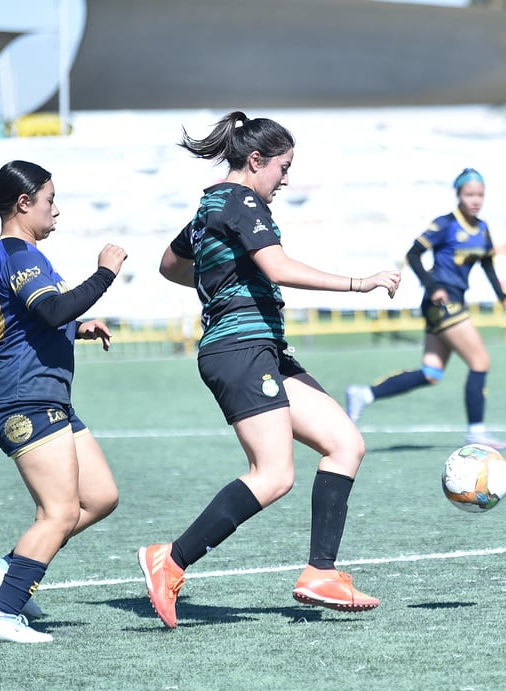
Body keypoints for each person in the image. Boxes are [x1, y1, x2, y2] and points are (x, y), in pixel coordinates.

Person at [138, 111, 402, 629]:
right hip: (239, 349)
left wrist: (220, 274)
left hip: (263, 348)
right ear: (255, 161)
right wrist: (360, 283)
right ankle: (169, 560)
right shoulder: (240, 201)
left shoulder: (210, 205)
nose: (286, 178)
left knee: (345, 443)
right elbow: (278, 267)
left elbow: (170, 266)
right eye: (283, 167)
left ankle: (320, 574)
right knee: (274, 474)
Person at [0, 160, 128, 643]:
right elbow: (54, 306)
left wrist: (77, 329)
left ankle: (11, 567)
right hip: (23, 399)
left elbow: (44, 319)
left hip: (46, 397)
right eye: (50, 200)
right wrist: (104, 274)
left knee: (101, 496)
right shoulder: (18, 253)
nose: (56, 211)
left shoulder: (28, 254)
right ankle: (1, 615)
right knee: (58, 512)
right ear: (24, 204)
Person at [345, 167, 506, 450]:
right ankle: (476, 432)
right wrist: (431, 284)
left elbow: (486, 264)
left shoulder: (482, 229)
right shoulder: (446, 225)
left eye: (480, 195)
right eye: (469, 193)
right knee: (480, 362)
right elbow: (413, 254)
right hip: (441, 301)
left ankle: (364, 394)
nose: (475, 200)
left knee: (431, 373)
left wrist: (502, 295)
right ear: (458, 194)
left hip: (455, 301)